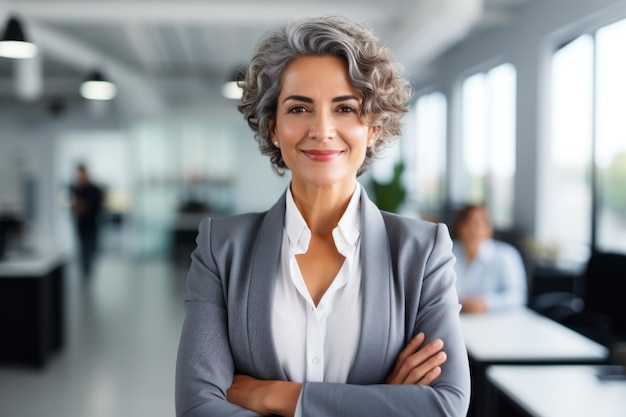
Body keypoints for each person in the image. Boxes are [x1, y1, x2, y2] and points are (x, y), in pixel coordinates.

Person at [175, 16, 470, 417]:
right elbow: (197, 408)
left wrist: (276, 397)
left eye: (345, 108)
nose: (322, 129)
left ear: (374, 128)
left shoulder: (422, 252)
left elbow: (444, 406)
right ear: (274, 127)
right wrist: (380, 404)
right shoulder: (221, 248)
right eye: (300, 108)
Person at [450, 204, 527, 313]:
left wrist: (486, 303)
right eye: (468, 223)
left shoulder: (506, 255)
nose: (473, 228)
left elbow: (518, 296)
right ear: (459, 227)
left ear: (489, 228)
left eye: (479, 223)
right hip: (457, 317)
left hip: (494, 319)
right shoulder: (447, 253)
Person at [69, 163, 103, 279]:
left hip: (92, 224)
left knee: (90, 248)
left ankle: (88, 271)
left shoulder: (95, 190)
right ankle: (84, 271)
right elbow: (72, 207)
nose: (80, 176)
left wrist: (85, 207)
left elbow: (98, 207)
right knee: (82, 249)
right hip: (81, 224)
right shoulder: (76, 189)